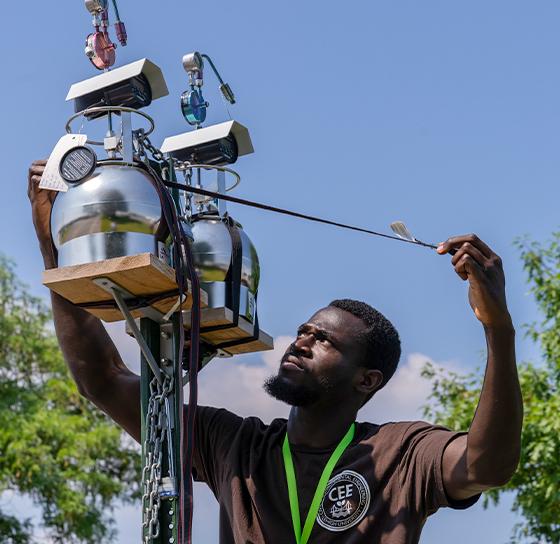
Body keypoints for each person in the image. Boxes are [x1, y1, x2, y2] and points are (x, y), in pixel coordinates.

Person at [28, 160, 523, 544]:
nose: (301, 342)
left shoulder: (402, 453)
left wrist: (497, 329)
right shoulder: (236, 446)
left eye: (325, 340)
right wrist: (55, 249)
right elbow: (104, 381)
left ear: (367, 379)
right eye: (304, 331)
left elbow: (487, 466)